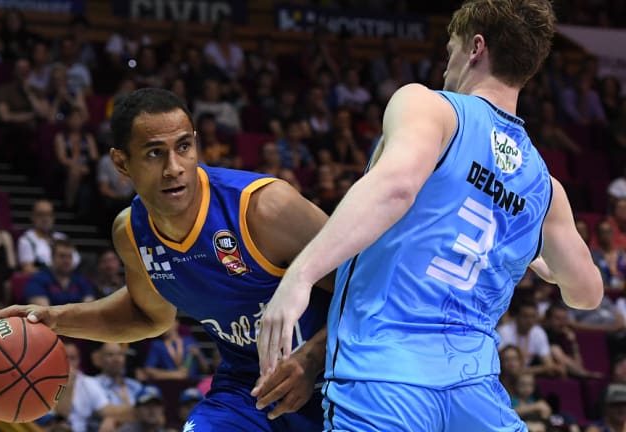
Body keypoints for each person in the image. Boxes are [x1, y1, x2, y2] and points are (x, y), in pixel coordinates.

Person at [257, 1, 603, 431]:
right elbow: (587, 293)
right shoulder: (546, 187)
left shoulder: (431, 107)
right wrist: (551, 270)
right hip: (474, 391)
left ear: (475, 48)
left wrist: (301, 276)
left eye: (450, 51)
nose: (445, 68)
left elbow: (396, 187)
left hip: (383, 378)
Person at [0, 88, 332, 431]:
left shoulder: (263, 209)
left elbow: (377, 289)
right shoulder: (131, 233)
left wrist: (313, 359)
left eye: (184, 147)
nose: (174, 167)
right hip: (249, 389)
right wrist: (53, 319)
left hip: (341, 376)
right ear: (121, 162)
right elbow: (147, 315)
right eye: (154, 153)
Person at [23, 239, 94, 306]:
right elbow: (43, 313)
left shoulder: (81, 280)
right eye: (62, 256)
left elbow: (89, 309)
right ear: (52, 257)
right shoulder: (38, 279)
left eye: (70, 256)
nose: (66, 261)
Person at [16, 199, 80, 273]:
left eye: (49, 214)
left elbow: (76, 261)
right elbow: (28, 270)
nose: (45, 218)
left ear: (53, 217)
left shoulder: (62, 237)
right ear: (33, 217)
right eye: (41, 214)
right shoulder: (26, 240)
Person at [138, 319, 209, 381]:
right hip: (168, 384)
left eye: (167, 323)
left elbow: (206, 369)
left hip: (191, 384)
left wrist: (199, 355)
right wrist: (175, 375)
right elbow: (148, 369)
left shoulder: (190, 341)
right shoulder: (157, 345)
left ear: (176, 323)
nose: (165, 327)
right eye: (162, 324)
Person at [95, 342, 143, 425]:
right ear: (100, 359)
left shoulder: (136, 386)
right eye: (110, 355)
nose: (116, 359)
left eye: (120, 354)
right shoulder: (93, 385)